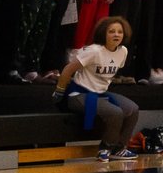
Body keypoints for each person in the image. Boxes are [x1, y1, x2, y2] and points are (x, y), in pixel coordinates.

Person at [58, 17, 141, 161]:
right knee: (115, 112)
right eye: (112, 31)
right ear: (104, 34)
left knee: (133, 109)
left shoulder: (123, 52)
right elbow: (68, 69)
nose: (116, 35)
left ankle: (120, 148)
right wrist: (59, 91)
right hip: (79, 94)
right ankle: (105, 148)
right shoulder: (94, 51)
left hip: (101, 93)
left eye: (120, 32)